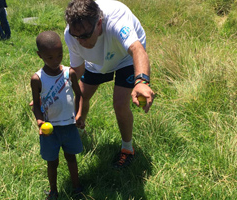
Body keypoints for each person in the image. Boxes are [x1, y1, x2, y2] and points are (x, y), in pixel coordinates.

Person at [64, 0, 155, 169]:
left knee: (120, 104)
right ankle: (79, 131)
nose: (80, 42)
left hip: (125, 56)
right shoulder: (72, 34)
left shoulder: (116, 21)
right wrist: (55, 89)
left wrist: (142, 81)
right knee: (81, 95)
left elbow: (137, 49)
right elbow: (77, 69)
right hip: (97, 60)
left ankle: (128, 150)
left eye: (84, 36)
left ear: (99, 23)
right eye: (76, 37)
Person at [31, 31, 85, 199]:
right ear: (40, 55)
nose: (56, 61)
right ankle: (53, 191)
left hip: (69, 126)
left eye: (60, 55)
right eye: (50, 57)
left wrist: (80, 114)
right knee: (52, 162)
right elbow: (36, 105)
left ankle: (77, 188)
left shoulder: (70, 73)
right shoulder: (37, 79)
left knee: (71, 157)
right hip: (50, 130)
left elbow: (79, 95)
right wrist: (40, 121)